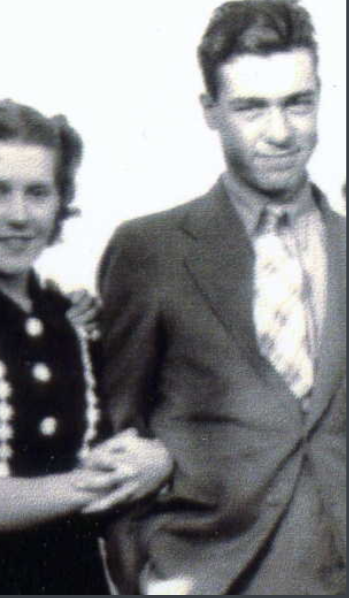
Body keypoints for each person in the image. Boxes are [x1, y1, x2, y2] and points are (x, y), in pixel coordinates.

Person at [98, 0, 346, 594]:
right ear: (210, 112)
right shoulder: (149, 250)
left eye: (298, 103)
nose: (280, 132)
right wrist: (144, 580)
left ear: (320, 96)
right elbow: (116, 436)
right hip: (207, 578)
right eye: (251, 108)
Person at [0, 100, 172, 595]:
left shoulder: (74, 323)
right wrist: (107, 480)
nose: (19, 216)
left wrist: (158, 460)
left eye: (38, 193)